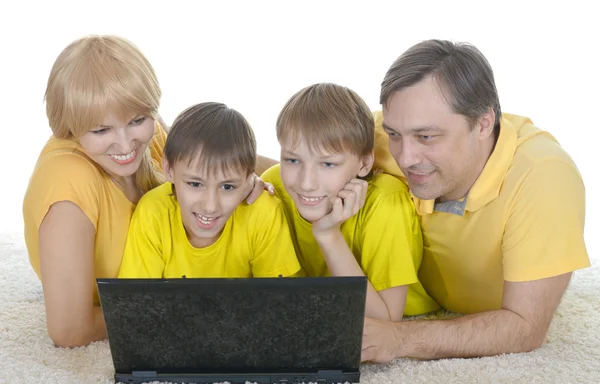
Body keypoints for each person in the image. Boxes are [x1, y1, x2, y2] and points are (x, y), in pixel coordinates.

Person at [22, 35, 271, 348]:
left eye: (137, 120)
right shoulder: (68, 186)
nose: (126, 145)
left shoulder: (148, 137)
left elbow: (211, 158)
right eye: (101, 130)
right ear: (71, 126)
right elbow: (70, 331)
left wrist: (272, 177)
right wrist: (185, 304)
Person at [360, 39, 590, 361]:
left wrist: (399, 339)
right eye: (395, 133)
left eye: (426, 137)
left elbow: (525, 326)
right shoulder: (386, 135)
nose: (406, 157)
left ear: (483, 123)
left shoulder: (544, 177)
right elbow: (303, 165)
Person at [261, 83, 440, 321]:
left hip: (404, 314)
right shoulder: (274, 185)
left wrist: (328, 235)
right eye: (292, 160)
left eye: (327, 164)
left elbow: (384, 323)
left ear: (364, 164)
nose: (306, 183)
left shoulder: (386, 202)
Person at [118, 102, 303, 279]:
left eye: (227, 187)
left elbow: (279, 304)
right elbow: (135, 307)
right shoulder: (153, 214)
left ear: (248, 180)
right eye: (195, 184)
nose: (210, 206)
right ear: (168, 169)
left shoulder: (262, 212)